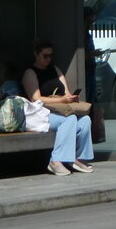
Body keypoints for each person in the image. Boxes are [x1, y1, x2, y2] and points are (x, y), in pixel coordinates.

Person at [21, 40, 95, 176]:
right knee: (70, 119)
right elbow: (36, 98)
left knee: (85, 120)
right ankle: (56, 160)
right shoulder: (30, 73)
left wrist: (70, 98)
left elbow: (66, 92)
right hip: (42, 113)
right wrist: (61, 99)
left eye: (50, 55)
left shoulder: (56, 70)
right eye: (45, 56)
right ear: (36, 55)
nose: (48, 59)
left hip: (61, 110)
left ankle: (79, 157)